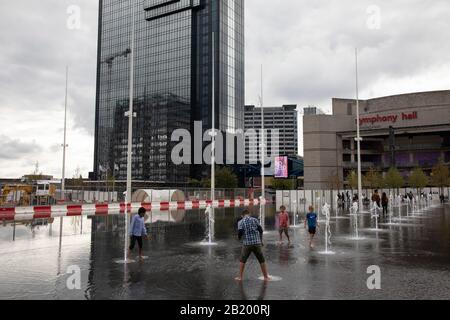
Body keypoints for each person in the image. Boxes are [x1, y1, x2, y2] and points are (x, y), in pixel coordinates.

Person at [236, 210, 269, 282]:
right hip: (257, 243)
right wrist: (261, 240)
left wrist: (238, 238)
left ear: (242, 215)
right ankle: (266, 277)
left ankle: (240, 277)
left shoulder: (240, 222)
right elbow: (261, 230)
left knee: (242, 260)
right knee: (261, 260)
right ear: (249, 214)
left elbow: (240, 232)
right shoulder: (255, 220)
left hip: (247, 244)